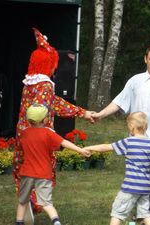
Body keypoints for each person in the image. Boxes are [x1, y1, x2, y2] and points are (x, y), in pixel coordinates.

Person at [91, 45, 150, 221]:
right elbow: (119, 102)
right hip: (138, 144)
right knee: (136, 184)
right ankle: (138, 216)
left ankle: (148, 219)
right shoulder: (135, 81)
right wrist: (101, 114)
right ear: (146, 59)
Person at [12, 28, 94, 220]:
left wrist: (81, 112)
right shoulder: (45, 85)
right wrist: (82, 112)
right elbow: (54, 104)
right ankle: (39, 202)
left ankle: (27, 202)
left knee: (24, 167)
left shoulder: (29, 83)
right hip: (41, 134)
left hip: (24, 134)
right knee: (43, 168)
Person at [83, 111, 150, 225]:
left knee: (117, 213)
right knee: (146, 215)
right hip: (145, 187)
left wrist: (90, 147)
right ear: (146, 126)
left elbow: (107, 147)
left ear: (131, 126)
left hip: (130, 187)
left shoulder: (128, 142)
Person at [15, 104, 90, 225]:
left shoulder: (24, 133)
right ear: (44, 119)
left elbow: (21, 148)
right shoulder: (48, 133)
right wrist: (80, 150)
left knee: (22, 201)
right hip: (44, 173)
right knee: (46, 203)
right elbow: (64, 143)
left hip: (27, 172)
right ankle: (56, 222)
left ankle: (19, 222)